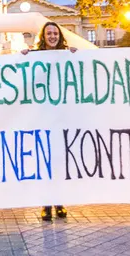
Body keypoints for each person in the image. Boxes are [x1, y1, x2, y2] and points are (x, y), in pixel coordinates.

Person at [21, 21, 77, 221]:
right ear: (43, 37)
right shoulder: (34, 56)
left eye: (55, 33)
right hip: (42, 117)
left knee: (60, 163)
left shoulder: (67, 54)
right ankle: (46, 204)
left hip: (62, 118)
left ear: (59, 36)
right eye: (49, 33)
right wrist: (22, 58)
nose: (52, 36)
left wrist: (78, 55)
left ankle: (59, 202)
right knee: (45, 162)